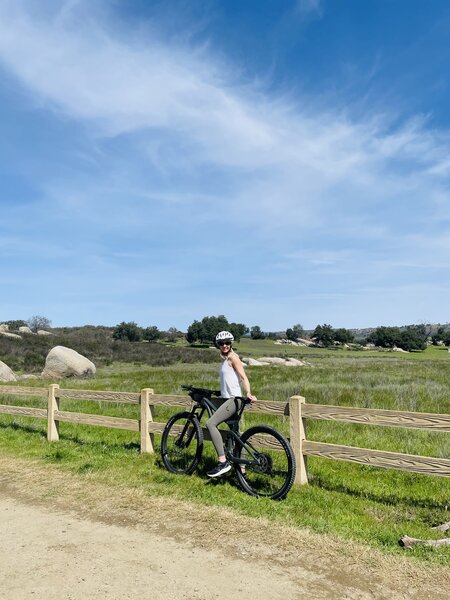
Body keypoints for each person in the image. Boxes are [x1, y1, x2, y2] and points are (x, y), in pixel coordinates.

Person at [206, 330, 257, 477]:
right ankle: (242, 472)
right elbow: (229, 381)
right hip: (227, 399)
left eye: (227, 343)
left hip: (234, 400)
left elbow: (243, 377)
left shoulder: (233, 358)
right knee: (236, 436)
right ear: (218, 345)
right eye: (222, 343)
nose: (225, 345)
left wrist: (248, 393)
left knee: (210, 424)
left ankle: (222, 462)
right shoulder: (224, 359)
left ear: (231, 343)